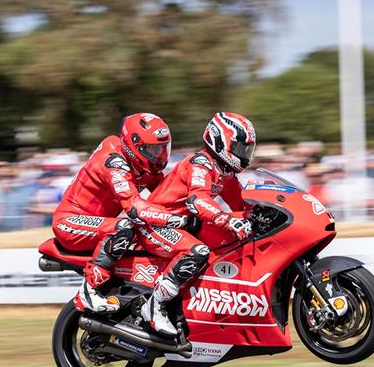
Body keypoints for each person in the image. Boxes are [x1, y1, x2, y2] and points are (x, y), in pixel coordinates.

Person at [52, 113, 187, 334]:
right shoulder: (114, 162)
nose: (159, 155)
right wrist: (175, 219)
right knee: (125, 226)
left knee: (140, 230)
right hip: (70, 222)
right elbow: (135, 207)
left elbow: (167, 196)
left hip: (100, 226)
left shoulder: (140, 164)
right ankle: (88, 290)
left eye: (162, 149)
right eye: (152, 150)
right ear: (134, 145)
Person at [143, 112, 257, 334]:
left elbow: (242, 205)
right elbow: (197, 200)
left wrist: (262, 215)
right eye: (239, 147)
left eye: (246, 149)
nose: (243, 154)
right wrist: (226, 220)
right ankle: (154, 305)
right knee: (198, 252)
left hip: (182, 226)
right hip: (157, 223)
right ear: (219, 140)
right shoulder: (201, 163)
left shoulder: (225, 173)